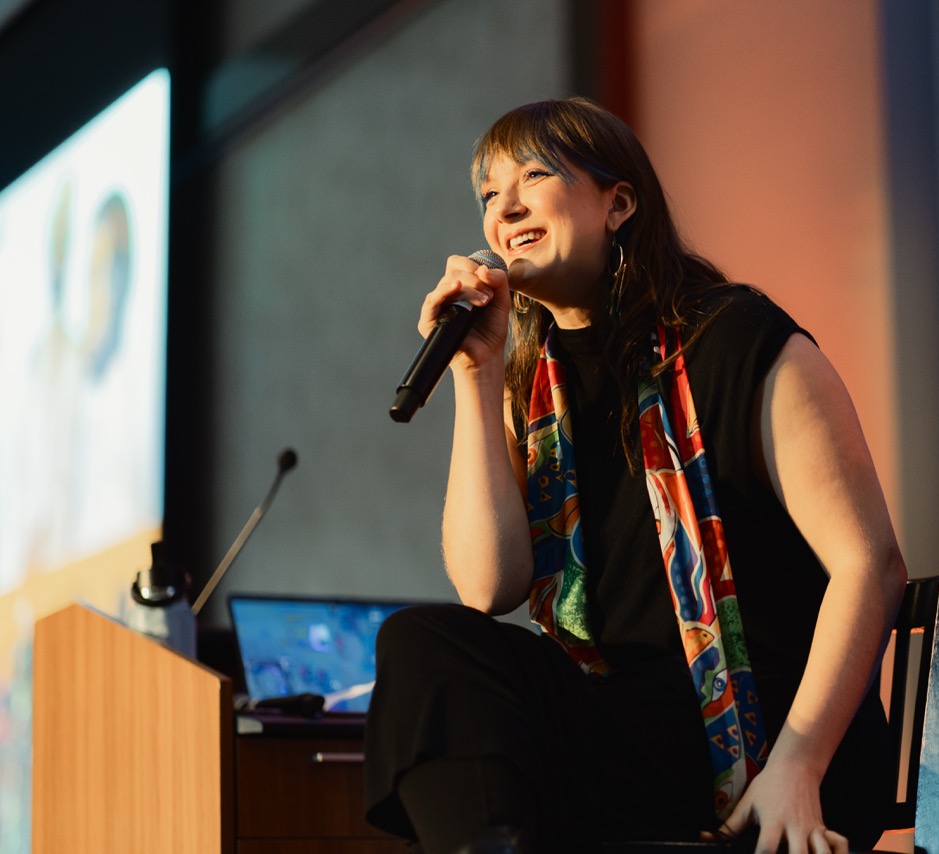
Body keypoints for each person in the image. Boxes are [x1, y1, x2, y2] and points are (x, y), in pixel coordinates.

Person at [364, 97, 906, 854]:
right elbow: (489, 587)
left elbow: (869, 564)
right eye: (488, 193)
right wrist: (476, 375)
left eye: (532, 174)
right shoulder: (531, 385)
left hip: (774, 734)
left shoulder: (736, 337)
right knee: (424, 642)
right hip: (626, 731)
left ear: (617, 203)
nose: (505, 206)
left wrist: (798, 762)